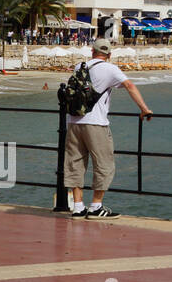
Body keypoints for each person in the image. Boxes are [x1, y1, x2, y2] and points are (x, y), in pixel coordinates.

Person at [65, 37, 153, 219]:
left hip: (74, 121)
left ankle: (78, 207)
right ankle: (96, 206)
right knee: (104, 163)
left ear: (92, 51)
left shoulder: (79, 67)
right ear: (109, 54)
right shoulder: (111, 69)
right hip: (96, 123)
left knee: (76, 163)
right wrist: (144, 109)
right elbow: (129, 85)